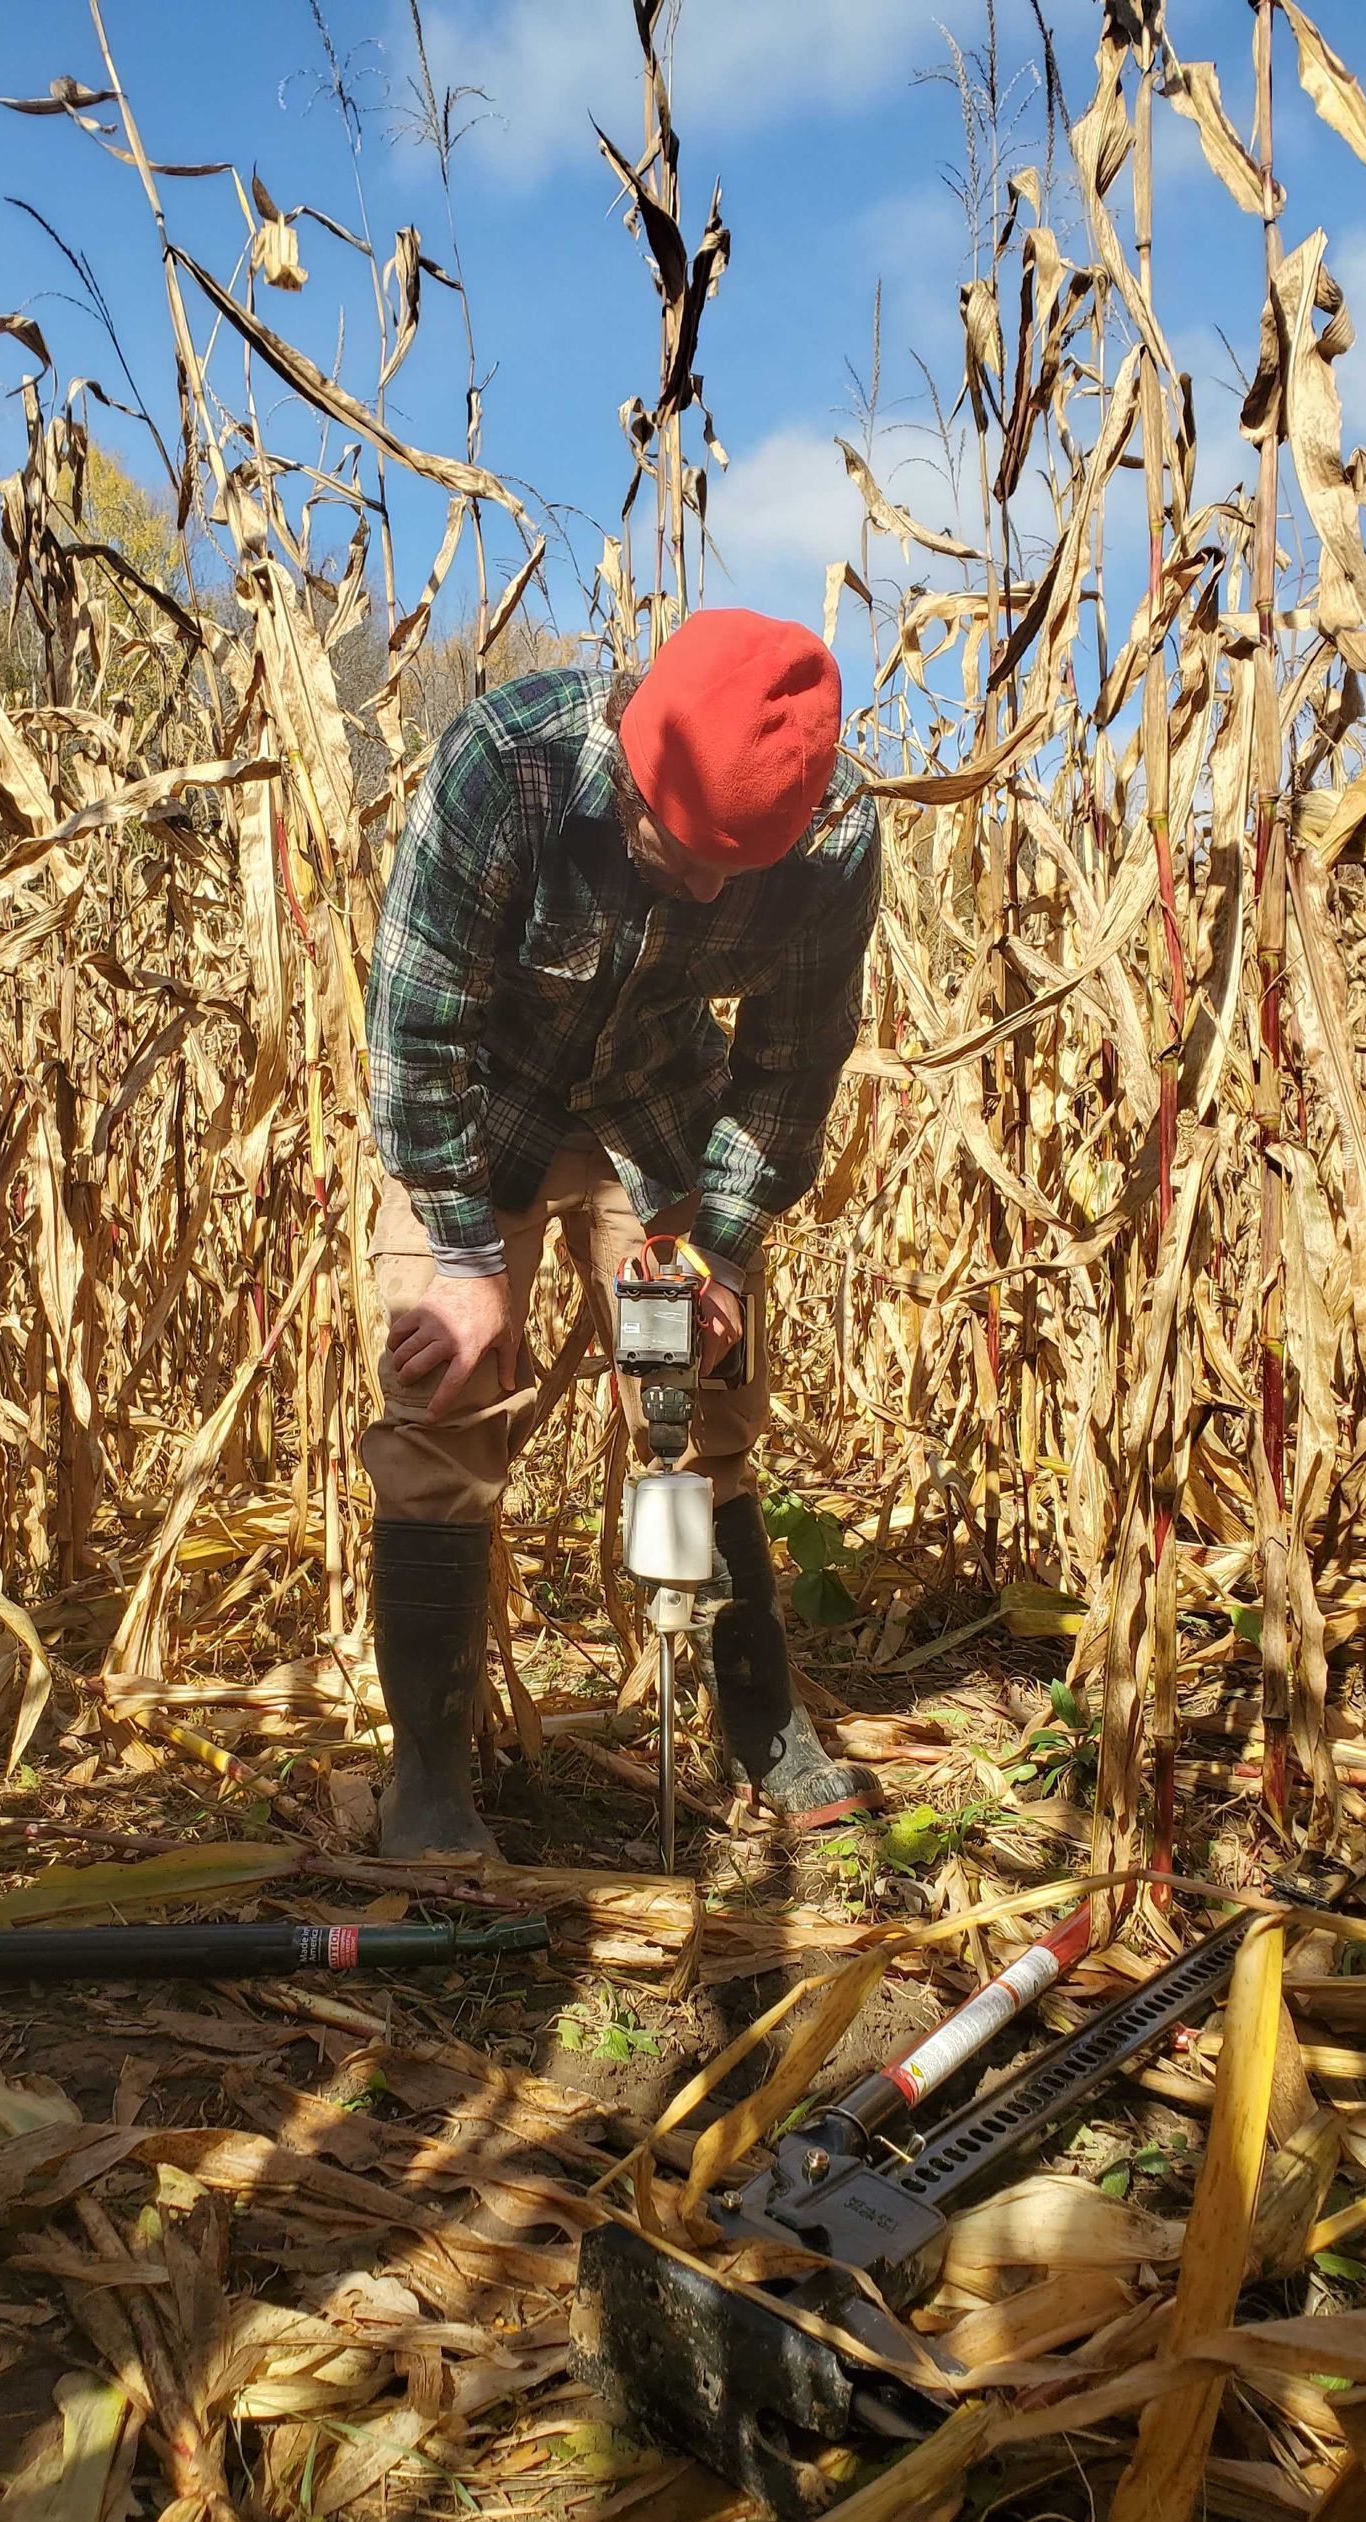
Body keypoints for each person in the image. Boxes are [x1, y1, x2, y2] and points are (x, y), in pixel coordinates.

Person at [362, 607, 882, 1858]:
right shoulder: (508, 768)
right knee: (445, 1398)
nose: (706, 885)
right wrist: (469, 1262)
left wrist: (727, 1252)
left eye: (735, 864)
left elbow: (786, 1070)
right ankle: (429, 1774)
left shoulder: (836, 837)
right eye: (680, 846)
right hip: (474, 1106)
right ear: (629, 744)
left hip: (652, 1110)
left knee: (695, 1414)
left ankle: (757, 1720)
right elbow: (412, 1032)